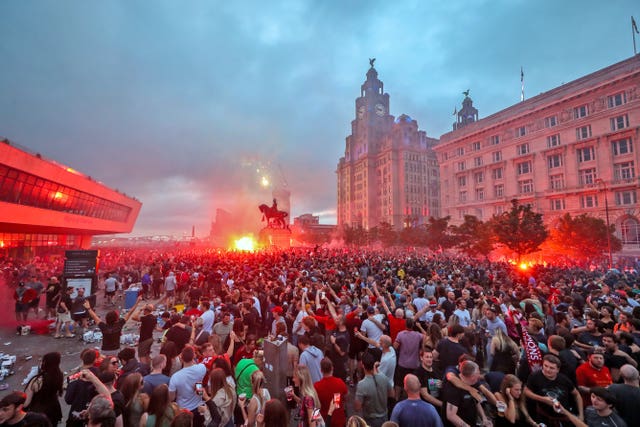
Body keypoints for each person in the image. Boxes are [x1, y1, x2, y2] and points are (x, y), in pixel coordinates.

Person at [524, 354, 583, 427]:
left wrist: (581, 415)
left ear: (557, 370)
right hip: (544, 417)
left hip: (564, 417)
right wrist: (543, 399)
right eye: (545, 366)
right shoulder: (535, 376)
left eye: (551, 368)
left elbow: (576, 394)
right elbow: (526, 391)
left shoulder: (564, 379)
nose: (547, 370)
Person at [441, 360, 491, 427]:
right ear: (472, 377)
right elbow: (451, 416)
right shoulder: (453, 389)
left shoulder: (473, 383)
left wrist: (484, 418)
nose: (479, 376)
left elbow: (475, 401)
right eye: (478, 373)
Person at [168, 345, 206, 427]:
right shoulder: (202, 368)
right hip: (198, 407)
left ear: (181, 359)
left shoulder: (175, 377)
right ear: (194, 356)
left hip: (183, 410)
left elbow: (171, 397)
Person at [23, 352, 63, 426]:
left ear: (45, 363)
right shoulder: (59, 375)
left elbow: (26, 403)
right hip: (54, 410)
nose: (41, 362)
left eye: (42, 360)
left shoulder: (37, 380)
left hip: (39, 413)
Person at [355, 352, 394, 427]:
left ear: (363, 365)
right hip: (384, 418)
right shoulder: (383, 377)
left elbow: (357, 407)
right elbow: (392, 394)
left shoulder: (362, 385)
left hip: (371, 421)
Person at [313, 358, 348, 427]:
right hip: (339, 421)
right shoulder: (340, 382)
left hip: (325, 421)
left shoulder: (316, 386)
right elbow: (346, 397)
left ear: (321, 370)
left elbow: (315, 406)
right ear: (332, 368)